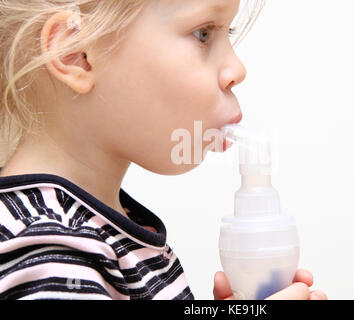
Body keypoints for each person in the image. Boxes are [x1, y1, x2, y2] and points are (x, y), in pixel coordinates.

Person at [0, 0, 327, 300]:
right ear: (76, 52)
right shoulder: (51, 250)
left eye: (228, 32)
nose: (237, 69)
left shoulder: (104, 232)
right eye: (203, 34)